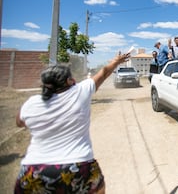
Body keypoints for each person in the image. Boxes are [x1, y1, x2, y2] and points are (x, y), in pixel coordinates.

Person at [14, 52, 131, 194]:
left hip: (35, 171)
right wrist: (116, 61)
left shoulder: (32, 103)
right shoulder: (80, 91)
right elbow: (104, 73)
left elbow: (20, 122)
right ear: (69, 81)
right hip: (77, 166)